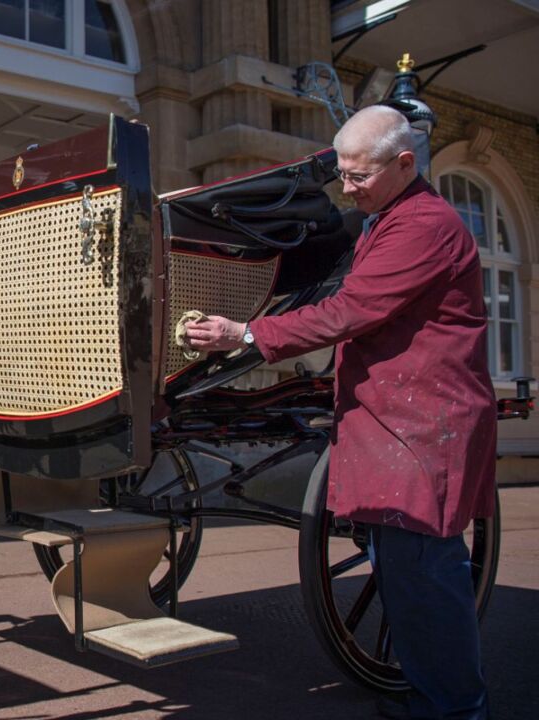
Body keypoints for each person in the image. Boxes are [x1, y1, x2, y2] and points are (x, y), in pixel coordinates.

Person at [184, 105, 496, 720]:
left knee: (426, 583)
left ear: (405, 163)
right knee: (406, 584)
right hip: (396, 424)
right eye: (343, 175)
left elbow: (349, 311)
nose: (347, 189)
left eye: (358, 177)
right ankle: (431, 697)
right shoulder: (388, 214)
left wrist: (247, 334)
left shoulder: (423, 226)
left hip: (422, 428)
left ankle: (457, 710)